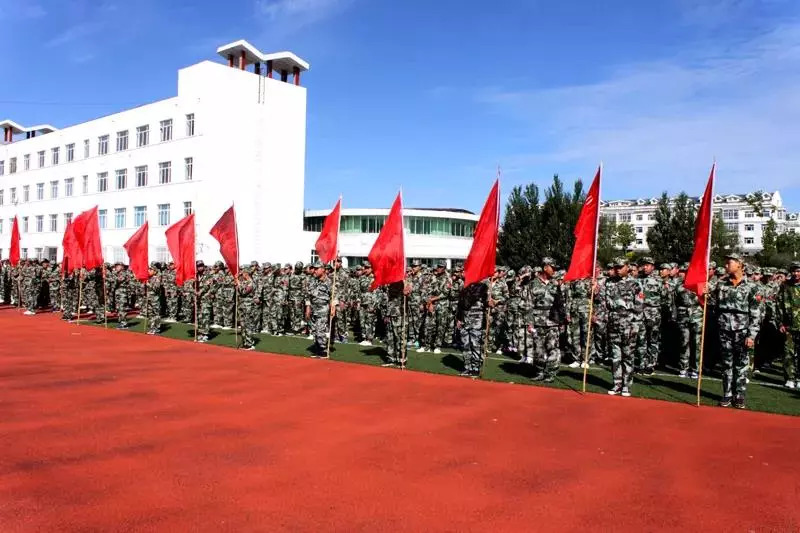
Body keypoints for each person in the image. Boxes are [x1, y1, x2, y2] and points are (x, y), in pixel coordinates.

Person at [708, 253, 761, 409]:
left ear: (739, 264)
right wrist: (705, 294)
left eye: (729, 263)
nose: (726, 266)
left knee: (741, 364)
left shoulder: (752, 286)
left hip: (742, 331)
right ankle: (727, 393)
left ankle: (739, 395)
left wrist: (752, 335)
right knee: (726, 363)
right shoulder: (721, 284)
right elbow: (711, 302)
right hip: (724, 329)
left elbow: (756, 313)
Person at [603, 257, 643, 397]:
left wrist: (635, 326)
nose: (618, 269)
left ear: (628, 267)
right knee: (615, 356)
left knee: (628, 356)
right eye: (616, 267)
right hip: (613, 323)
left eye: (620, 267)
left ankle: (626, 385)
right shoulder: (609, 283)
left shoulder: (635, 284)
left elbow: (639, 307)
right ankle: (617, 384)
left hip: (628, 324)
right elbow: (605, 304)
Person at [526, 257, 567, 382]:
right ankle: (539, 371)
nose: (554, 270)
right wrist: (529, 322)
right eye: (552, 268)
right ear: (545, 267)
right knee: (538, 348)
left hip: (553, 321)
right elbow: (528, 304)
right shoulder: (533, 283)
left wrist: (561, 320)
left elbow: (562, 303)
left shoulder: (557, 284)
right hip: (538, 321)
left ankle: (550, 373)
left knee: (553, 348)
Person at [457, 279, 489, 377]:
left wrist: (490, 303)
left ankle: (476, 368)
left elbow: (485, 302)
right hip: (465, 321)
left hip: (477, 322)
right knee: (465, 346)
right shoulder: (465, 288)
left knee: (476, 345)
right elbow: (461, 305)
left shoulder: (482, 288)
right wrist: (459, 318)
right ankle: (467, 367)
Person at [777, 262, 800, 389]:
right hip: (789, 325)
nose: (796, 274)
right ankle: (790, 378)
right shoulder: (785, 286)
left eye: (798, 271)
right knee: (788, 352)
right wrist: (780, 322)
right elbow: (779, 304)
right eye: (794, 271)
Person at [305, 262, 333, 357]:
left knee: (320, 330)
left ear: (323, 269)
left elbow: (333, 296)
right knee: (314, 330)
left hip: (323, 309)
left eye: (317, 269)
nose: (315, 271)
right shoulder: (313, 281)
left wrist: (333, 308)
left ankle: (323, 350)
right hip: (313, 309)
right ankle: (317, 348)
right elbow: (308, 295)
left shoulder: (329, 282)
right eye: (314, 269)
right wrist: (308, 307)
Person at [237, 269, 259, 350]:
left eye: (243, 273)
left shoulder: (251, 282)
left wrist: (238, 284)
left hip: (248, 305)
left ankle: (249, 343)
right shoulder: (244, 282)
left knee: (248, 324)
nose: (241, 274)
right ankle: (245, 342)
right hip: (242, 305)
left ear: (246, 273)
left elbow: (244, 292)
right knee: (242, 324)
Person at [145, 263, 162, 335]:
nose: (149, 271)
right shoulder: (149, 278)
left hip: (155, 299)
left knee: (156, 314)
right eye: (149, 269)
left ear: (155, 271)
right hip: (149, 298)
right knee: (150, 313)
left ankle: (157, 327)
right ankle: (152, 327)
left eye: (151, 270)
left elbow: (157, 288)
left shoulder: (157, 278)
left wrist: (149, 284)